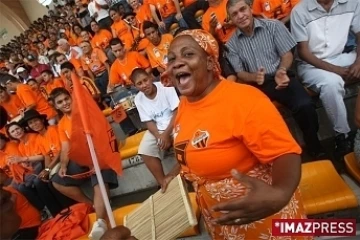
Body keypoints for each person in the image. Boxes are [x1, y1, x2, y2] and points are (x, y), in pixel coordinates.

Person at [162, 29, 307, 239]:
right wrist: (174, 173)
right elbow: (191, 146)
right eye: (172, 58)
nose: (176, 63)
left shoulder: (243, 99)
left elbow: (286, 153)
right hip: (223, 224)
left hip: (266, 220)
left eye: (188, 54)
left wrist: (280, 193)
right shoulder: (185, 105)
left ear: (210, 63)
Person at [226, 0, 323, 157]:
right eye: (234, 14)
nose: (240, 16)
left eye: (242, 9)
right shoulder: (231, 44)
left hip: (281, 76)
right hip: (257, 86)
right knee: (254, 119)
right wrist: (254, 77)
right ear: (230, 19)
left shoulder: (273, 26)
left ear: (250, 8)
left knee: (305, 105)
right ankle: (277, 157)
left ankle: (314, 146)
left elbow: (287, 54)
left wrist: (282, 70)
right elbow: (239, 73)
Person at [291, 0, 360, 155]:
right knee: (331, 83)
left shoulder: (352, 3)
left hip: (341, 56)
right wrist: (336, 70)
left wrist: (358, 63)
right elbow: (303, 52)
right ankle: (343, 136)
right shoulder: (299, 11)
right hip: (311, 65)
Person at [49, 88, 118, 240]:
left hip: (100, 151)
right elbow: (66, 147)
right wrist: (64, 165)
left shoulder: (86, 112)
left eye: (66, 99)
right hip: (81, 159)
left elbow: (102, 134)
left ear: (71, 98)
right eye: (60, 102)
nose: (65, 103)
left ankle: (100, 221)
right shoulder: (61, 124)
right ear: (57, 107)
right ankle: (92, 204)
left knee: (99, 168)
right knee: (57, 180)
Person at [130, 68, 179, 188]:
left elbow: (177, 112)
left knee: (184, 145)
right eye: (139, 83)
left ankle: (171, 176)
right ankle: (162, 182)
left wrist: (166, 135)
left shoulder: (166, 87)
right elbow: (149, 122)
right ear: (135, 86)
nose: (144, 85)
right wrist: (159, 137)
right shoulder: (138, 99)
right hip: (158, 129)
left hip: (177, 123)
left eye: (145, 80)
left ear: (150, 77)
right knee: (145, 149)